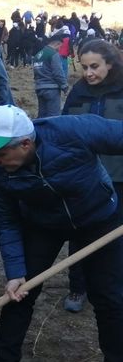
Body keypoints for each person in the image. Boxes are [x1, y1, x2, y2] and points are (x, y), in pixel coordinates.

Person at [0, 104, 123, 362]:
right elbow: (6, 221)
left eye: (0, 153)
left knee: (109, 297)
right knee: (19, 294)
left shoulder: (72, 131)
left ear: (26, 144)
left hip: (98, 219)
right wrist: (15, 271)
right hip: (43, 224)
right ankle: (4, 360)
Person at [61, 39, 123, 312]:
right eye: (84, 67)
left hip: (119, 177)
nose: (89, 73)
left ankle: (113, 286)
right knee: (80, 233)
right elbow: (63, 129)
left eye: (95, 66)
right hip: (84, 179)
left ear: (110, 63)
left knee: (114, 236)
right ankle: (77, 287)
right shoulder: (78, 92)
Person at [32, 34, 68, 118]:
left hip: (39, 88)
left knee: (42, 115)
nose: (59, 49)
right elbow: (58, 72)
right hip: (52, 89)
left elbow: (35, 72)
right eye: (60, 47)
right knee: (53, 117)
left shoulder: (38, 55)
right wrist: (64, 86)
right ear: (57, 44)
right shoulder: (53, 54)